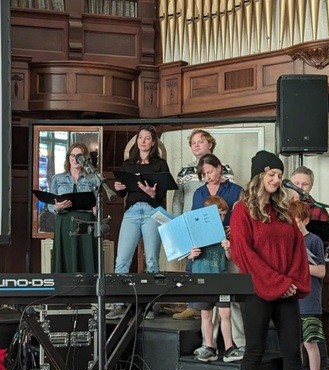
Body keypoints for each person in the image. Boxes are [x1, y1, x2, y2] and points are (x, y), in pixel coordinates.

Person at [230, 150, 310, 370]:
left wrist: (291, 282)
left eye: (279, 175)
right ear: (259, 175)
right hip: (257, 290)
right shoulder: (242, 211)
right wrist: (279, 283)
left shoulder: (284, 211)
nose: (276, 180)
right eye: (272, 174)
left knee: (292, 350)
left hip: (287, 289)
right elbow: (244, 254)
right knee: (255, 349)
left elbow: (298, 249)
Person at [106, 125, 170, 321]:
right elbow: (123, 193)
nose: (143, 141)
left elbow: (163, 193)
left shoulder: (160, 164)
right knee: (122, 259)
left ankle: (150, 305)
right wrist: (119, 188)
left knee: (151, 260)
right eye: (140, 137)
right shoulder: (128, 164)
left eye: (147, 138)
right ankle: (118, 304)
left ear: (153, 142)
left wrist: (153, 193)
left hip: (152, 211)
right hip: (132, 212)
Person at [172, 128, 234, 320]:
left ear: (210, 144)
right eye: (193, 143)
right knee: (192, 265)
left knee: (217, 265)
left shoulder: (225, 168)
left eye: (200, 141)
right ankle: (193, 305)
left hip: (218, 227)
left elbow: (231, 199)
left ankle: (217, 308)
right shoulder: (184, 170)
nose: (196, 145)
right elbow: (178, 199)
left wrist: (232, 225)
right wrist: (177, 223)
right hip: (192, 224)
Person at [190, 153, 245, 355]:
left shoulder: (235, 190)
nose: (208, 176)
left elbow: (244, 216)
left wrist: (233, 230)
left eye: (210, 171)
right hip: (204, 256)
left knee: (230, 304)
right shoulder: (199, 193)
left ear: (219, 168)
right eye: (204, 174)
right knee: (207, 310)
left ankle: (236, 343)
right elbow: (194, 220)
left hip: (228, 247)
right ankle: (209, 344)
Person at [290, 165, 329, 370]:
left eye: (304, 184)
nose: (300, 187)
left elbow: (323, 257)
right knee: (294, 339)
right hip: (291, 292)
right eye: (296, 183)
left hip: (310, 292)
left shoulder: (318, 214)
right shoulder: (283, 208)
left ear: (311, 186)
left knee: (312, 338)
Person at [288, 200, 327, 370]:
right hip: (290, 298)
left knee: (310, 342)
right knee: (293, 343)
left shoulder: (314, 241)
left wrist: (299, 267)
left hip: (309, 299)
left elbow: (321, 271)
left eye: (296, 220)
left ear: (305, 220)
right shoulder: (287, 240)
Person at [49, 142, 99, 273]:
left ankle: (88, 284)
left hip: (86, 221)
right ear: (68, 157)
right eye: (72, 155)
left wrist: (96, 209)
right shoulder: (57, 179)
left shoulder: (93, 179)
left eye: (79, 156)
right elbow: (50, 205)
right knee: (65, 255)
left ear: (85, 158)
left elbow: (98, 203)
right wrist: (56, 207)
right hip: (64, 221)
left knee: (86, 255)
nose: (75, 159)